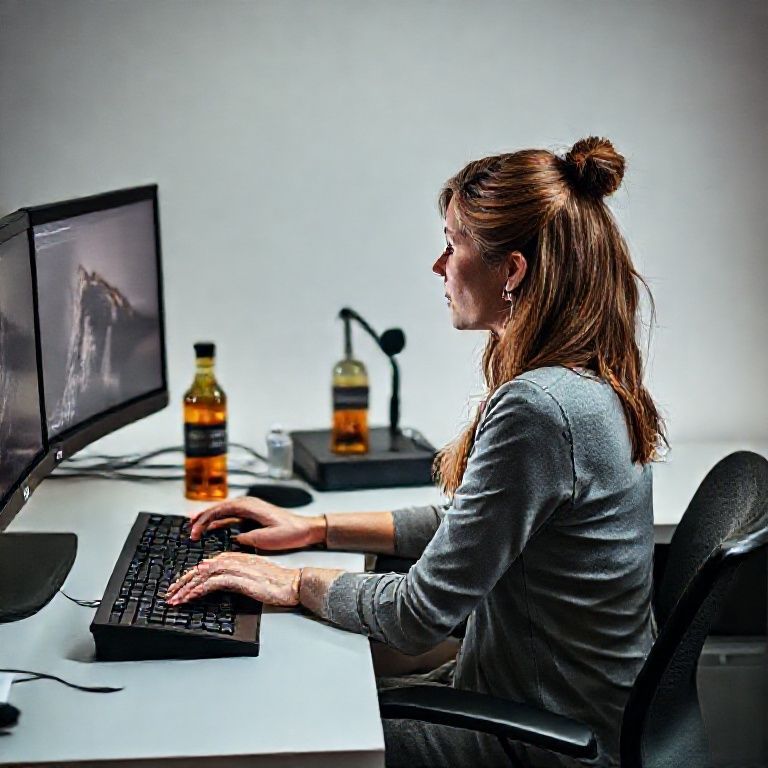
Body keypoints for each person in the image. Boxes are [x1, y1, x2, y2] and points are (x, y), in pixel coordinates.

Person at [167, 136, 665, 768]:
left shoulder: (541, 409)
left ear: (511, 271)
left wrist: (293, 585)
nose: (439, 265)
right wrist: (315, 528)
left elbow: (419, 614)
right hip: (556, 709)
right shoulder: (590, 379)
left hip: (546, 739)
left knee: (285, 742)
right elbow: (476, 522)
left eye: (453, 244)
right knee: (312, 704)